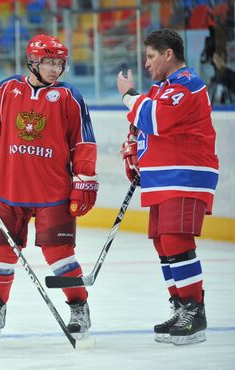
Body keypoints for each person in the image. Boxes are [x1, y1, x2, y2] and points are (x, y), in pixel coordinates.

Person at [0, 34, 98, 340]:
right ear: (33, 62)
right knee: (0, 254)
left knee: (60, 255)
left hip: (54, 193)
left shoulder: (69, 97)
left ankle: (79, 308)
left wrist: (84, 181)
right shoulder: (6, 90)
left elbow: (83, 142)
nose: (55, 68)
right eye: (48, 62)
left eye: (59, 63)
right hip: (9, 191)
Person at [117, 28, 219, 345]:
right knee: (163, 244)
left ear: (168, 54)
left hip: (185, 174)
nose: (146, 63)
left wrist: (127, 95)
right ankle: (180, 306)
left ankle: (194, 310)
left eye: (150, 56)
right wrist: (135, 154)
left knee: (176, 240)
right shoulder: (162, 89)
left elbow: (157, 120)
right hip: (163, 176)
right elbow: (146, 129)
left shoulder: (187, 84)